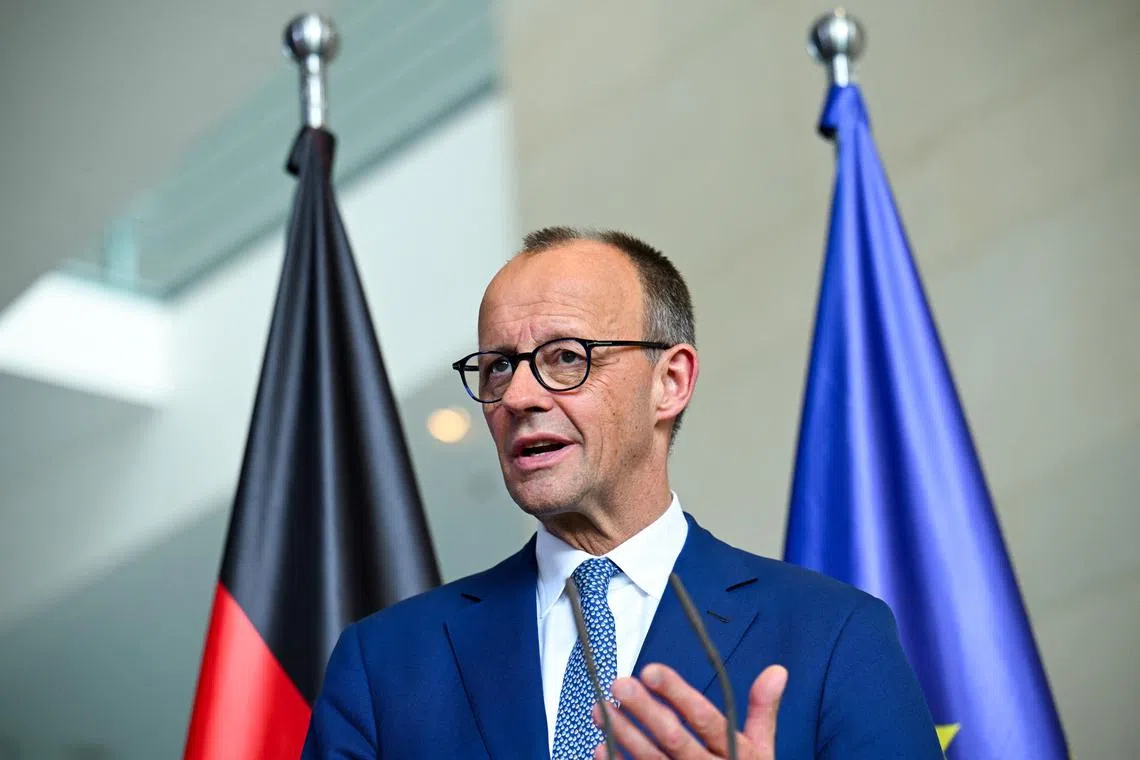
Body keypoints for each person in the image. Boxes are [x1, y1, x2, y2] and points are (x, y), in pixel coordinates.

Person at [301, 227, 944, 759]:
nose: (520, 397)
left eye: (566, 357)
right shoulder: (385, 664)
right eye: (498, 365)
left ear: (670, 381)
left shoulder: (834, 635)